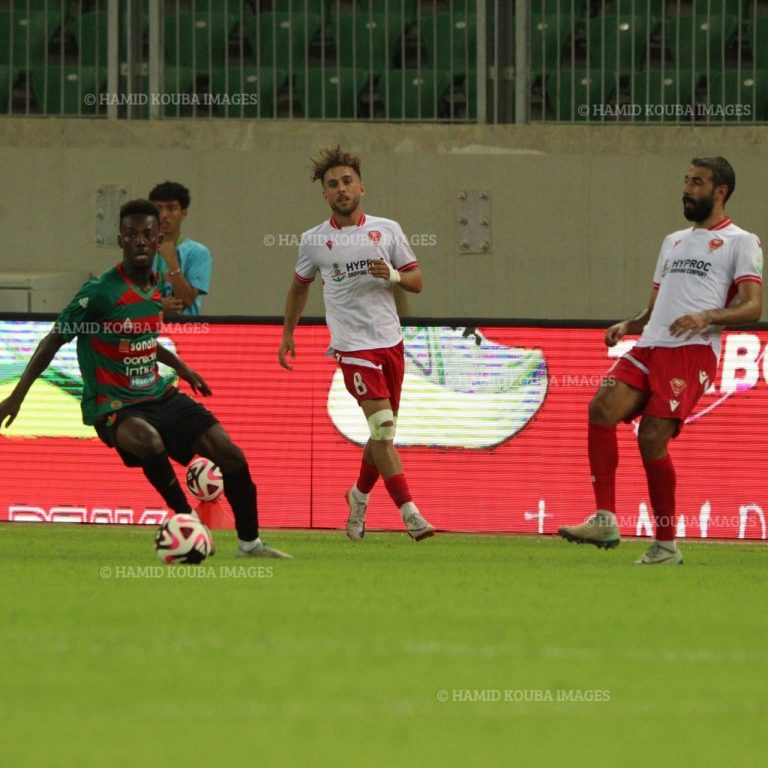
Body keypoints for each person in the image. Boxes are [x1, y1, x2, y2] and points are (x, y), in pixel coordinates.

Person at [0, 199, 290, 559]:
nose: (139, 240)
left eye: (147, 234)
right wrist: (18, 396)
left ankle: (250, 544)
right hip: (113, 404)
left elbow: (142, 338)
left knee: (229, 454)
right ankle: (188, 522)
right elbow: (53, 339)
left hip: (158, 395)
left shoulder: (154, 287)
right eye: (131, 234)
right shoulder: (100, 291)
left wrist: (181, 367)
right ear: (120, 240)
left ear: (159, 240)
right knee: (150, 442)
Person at [558, 156, 763, 564]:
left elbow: (753, 306)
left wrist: (707, 316)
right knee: (600, 407)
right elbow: (654, 307)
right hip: (650, 345)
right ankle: (605, 518)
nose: (687, 189)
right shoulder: (673, 241)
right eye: (686, 180)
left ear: (720, 192)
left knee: (651, 437)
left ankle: (666, 544)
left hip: (691, 351)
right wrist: (630, 324)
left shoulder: (742, 241)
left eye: (697, 182)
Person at [278, 145, 435, 542]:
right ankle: (410, 513)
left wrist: (393, 276)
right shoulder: (314, 240)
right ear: (325, 195)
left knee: (383, 436)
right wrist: (288, 333)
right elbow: (299, 287)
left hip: (391, 342)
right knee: (382, 426)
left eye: (347, 181)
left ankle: (358, 496)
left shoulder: (388, 230)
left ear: (361, 187)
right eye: (333, 184)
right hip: (352, 347)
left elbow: (417, 281)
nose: (341, 189)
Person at [148, 181, 212, 317]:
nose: (163, 215)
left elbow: (186, 300)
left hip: (185, 327)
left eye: (171, 208)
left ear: (183, 213)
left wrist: (172, 261)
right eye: (158, 208)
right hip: (148, 327)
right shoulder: (142, 250)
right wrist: (158, 307)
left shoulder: (197, 252)